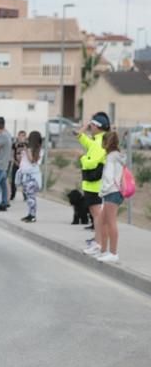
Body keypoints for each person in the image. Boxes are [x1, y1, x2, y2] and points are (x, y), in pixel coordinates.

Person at [77, 112, 110, 257]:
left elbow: (92, 162)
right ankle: (98, 244)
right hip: (92, 185)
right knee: (95, 215)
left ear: (97, 126)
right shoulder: (98, 140)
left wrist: (82, 158)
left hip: (94, 185)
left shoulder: (99, 142)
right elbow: (81, 138)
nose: (90, 127)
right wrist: (83, 128)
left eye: (92, 124)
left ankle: (99, 244)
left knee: (97, 216)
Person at [96, 131, 126, 263]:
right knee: (102, 221)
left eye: (103, 141)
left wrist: (102, 191)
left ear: (106, 142)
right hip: (116, 192)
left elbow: (108, 178)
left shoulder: (111, 158)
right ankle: (104, 251)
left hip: (111, 192)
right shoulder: (118, 156)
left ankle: (113, 253)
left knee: (111, 222)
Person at [16, 131, 43, 223]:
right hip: (25, 175)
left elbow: (32, 160)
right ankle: (30, 214)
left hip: (32, 177)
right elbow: (21, 160)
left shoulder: (39, 150)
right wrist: (21, 151)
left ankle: (33, 216)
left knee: (31, 197)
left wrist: (27, 150)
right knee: (28, 197)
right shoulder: (28, 149)